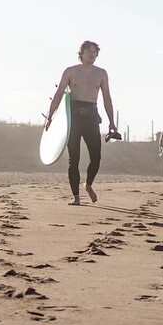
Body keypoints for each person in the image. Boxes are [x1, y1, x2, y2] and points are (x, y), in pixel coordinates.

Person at [45, 40, 116, 205]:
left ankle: (88, 184)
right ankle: (76, 197)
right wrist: (50, 117)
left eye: (94, 51)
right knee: (73, 159)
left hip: (91, 116)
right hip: (73, 119)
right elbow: (58, 94)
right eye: (88, 51)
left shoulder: (101, 74)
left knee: (96, 158)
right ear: (81, 53)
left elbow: (107, 98)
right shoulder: (70, 71)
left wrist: (112, 122)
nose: (92, 54)